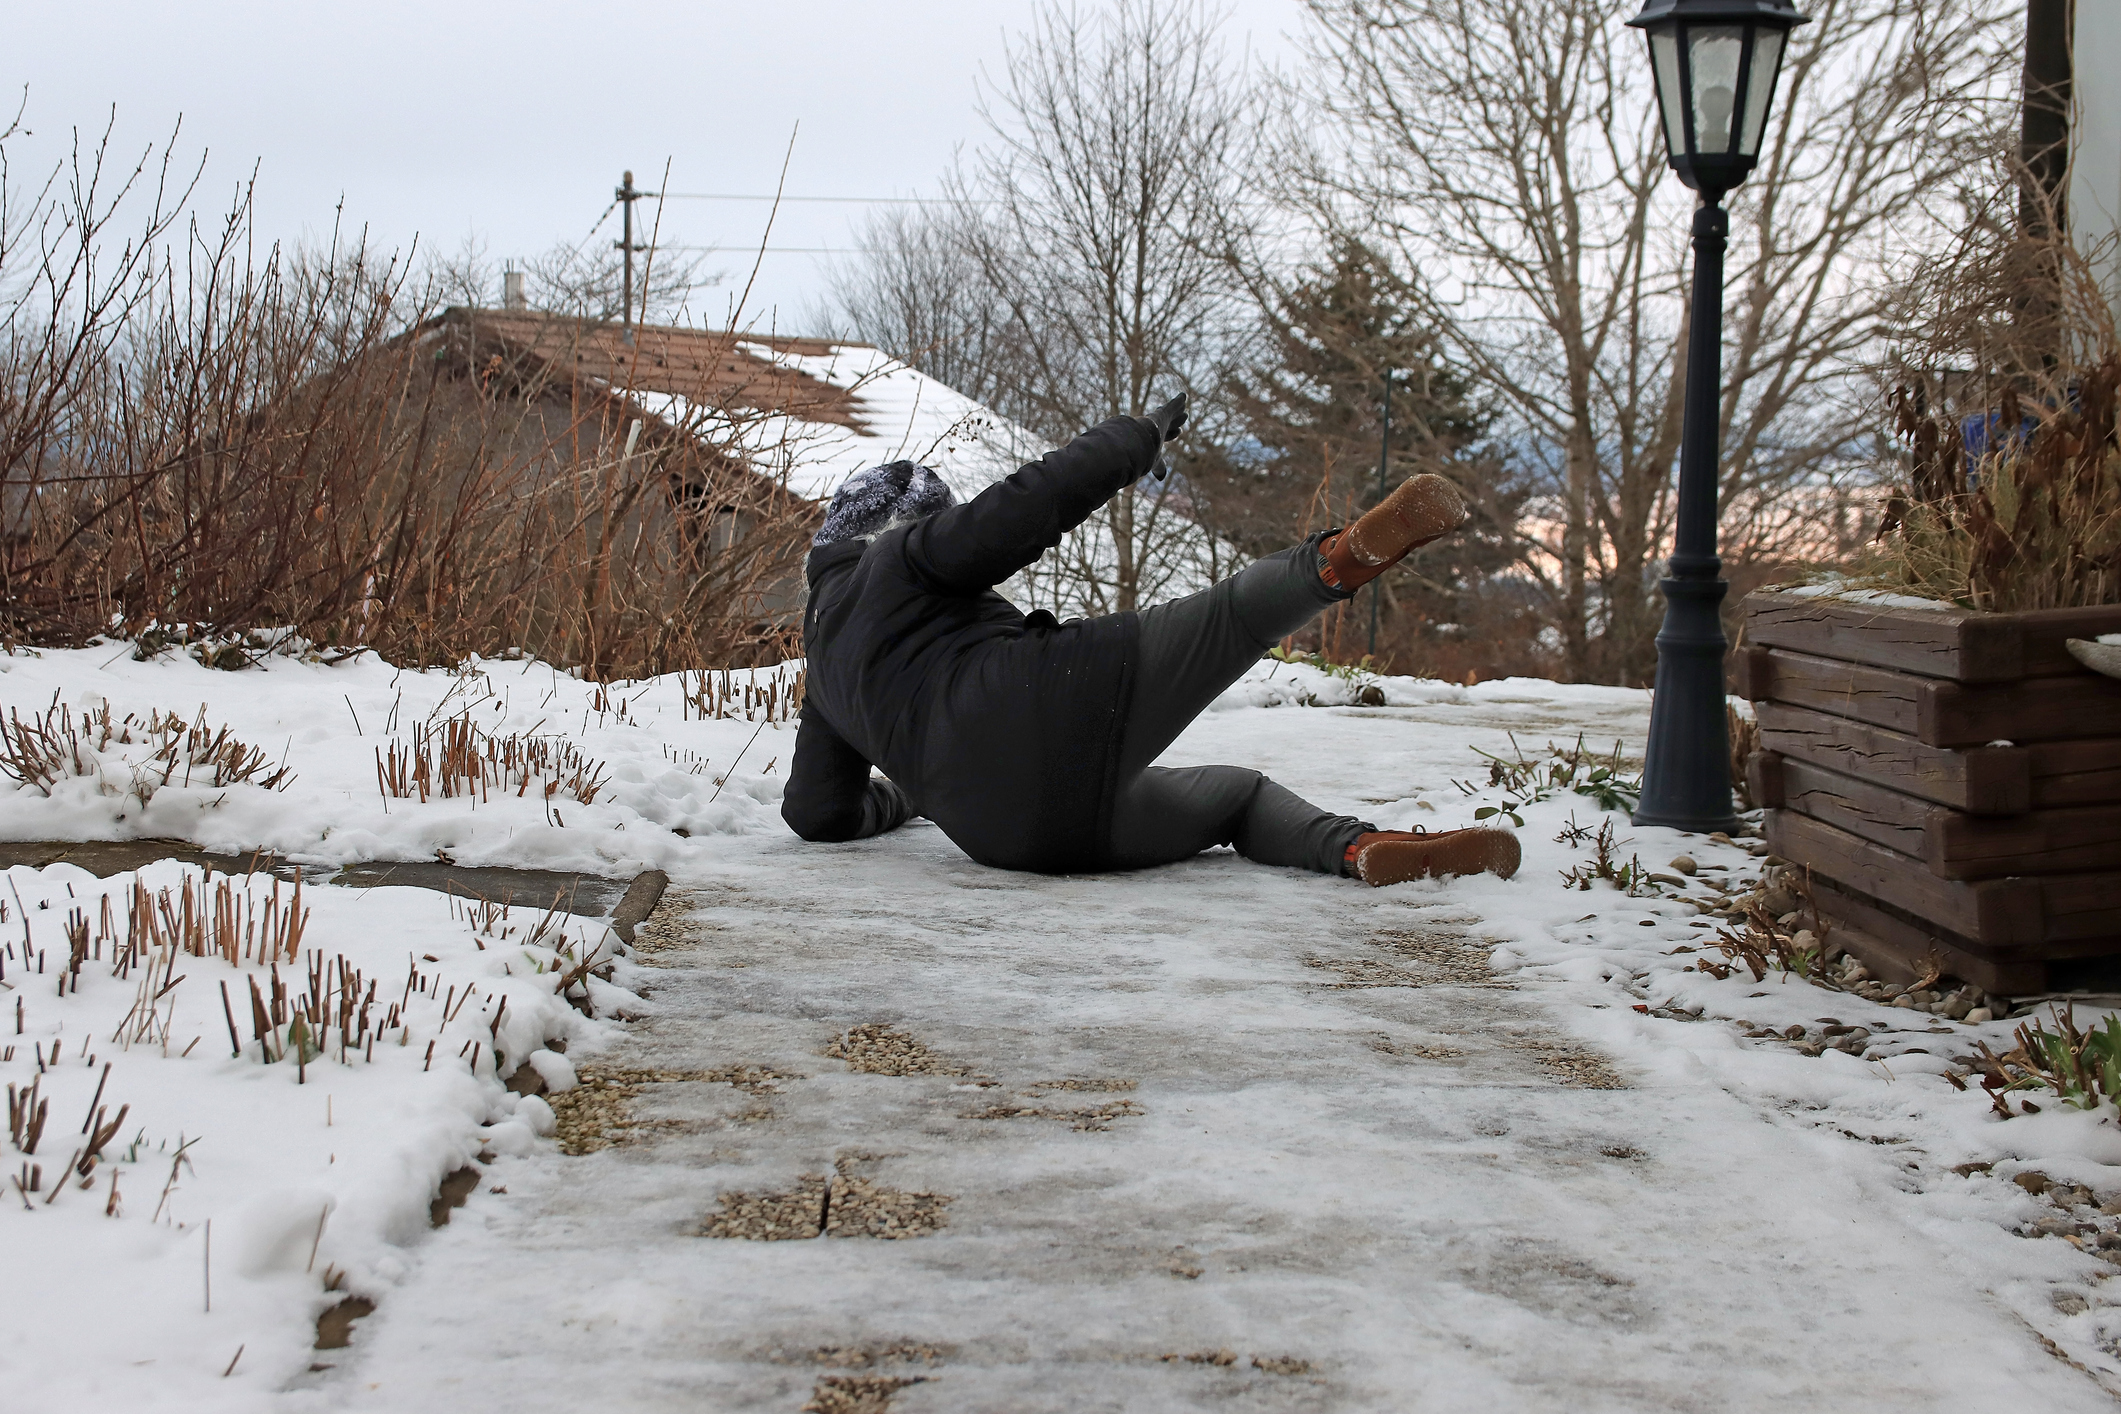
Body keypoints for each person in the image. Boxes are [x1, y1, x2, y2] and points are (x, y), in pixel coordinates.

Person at [780, 393, 1520, 887]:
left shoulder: (826, 666)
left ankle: (1357, 850)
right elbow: (1028, 505)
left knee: (1237, 798)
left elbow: (816, 815)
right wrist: (1136, 439)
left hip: (1011, 835)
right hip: (1048, 695)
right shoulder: (899, 556)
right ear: (904, 523)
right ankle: (1339, 558)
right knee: (1235, 616)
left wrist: (907, 796)